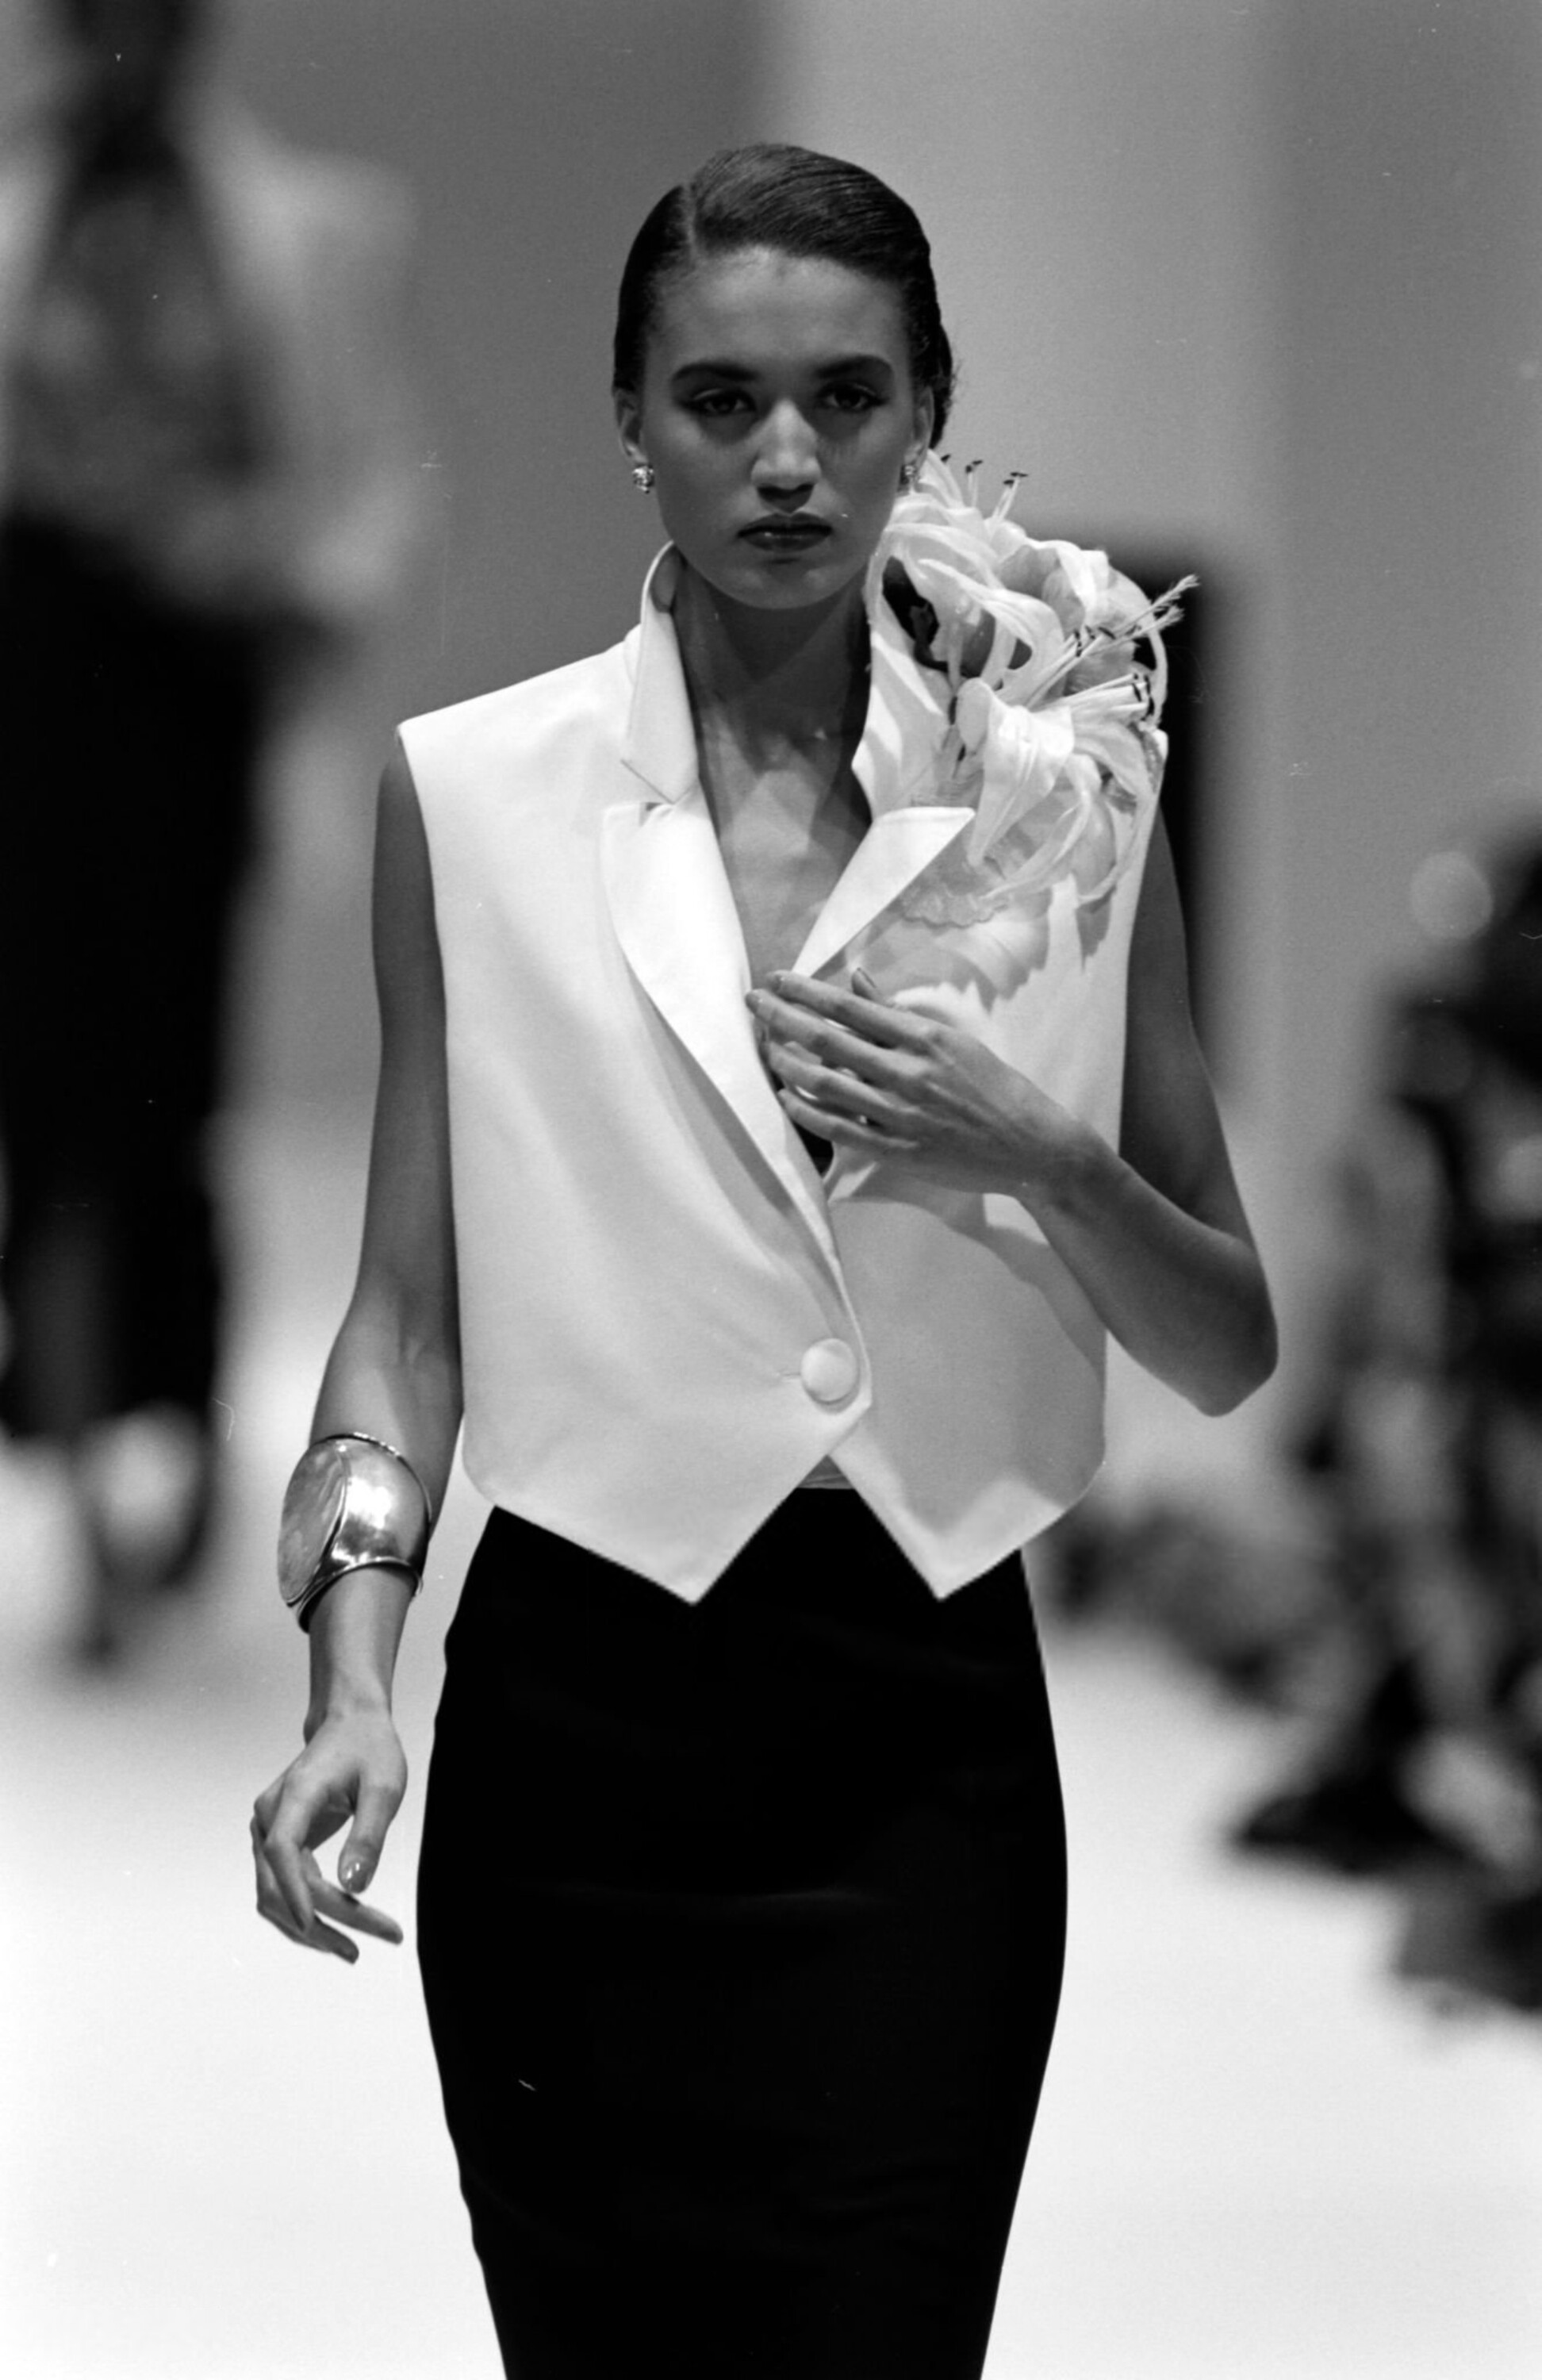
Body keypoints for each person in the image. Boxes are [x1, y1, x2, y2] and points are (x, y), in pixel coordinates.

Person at [251, 144, 1276, 2380]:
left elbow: (1226, 1339)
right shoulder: (476, 796)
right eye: (721, 400)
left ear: (932, 412)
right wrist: (352, 1681)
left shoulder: (1076, 800)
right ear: (631, 417)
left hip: (923, 1744)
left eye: (847, 395)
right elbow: (406, 1314)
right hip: (572, 1747)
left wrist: (1043, 1154)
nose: (788, 458)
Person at [0, 0, 417, 1655]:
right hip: (29, 694)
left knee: (170, 1096)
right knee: (50, 1108)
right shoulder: (20, 215)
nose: (117, 48)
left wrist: (261, 569)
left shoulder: (304, 228)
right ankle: (88, 1476)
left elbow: (366, 485)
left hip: (186, 710)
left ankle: (166, 1448)